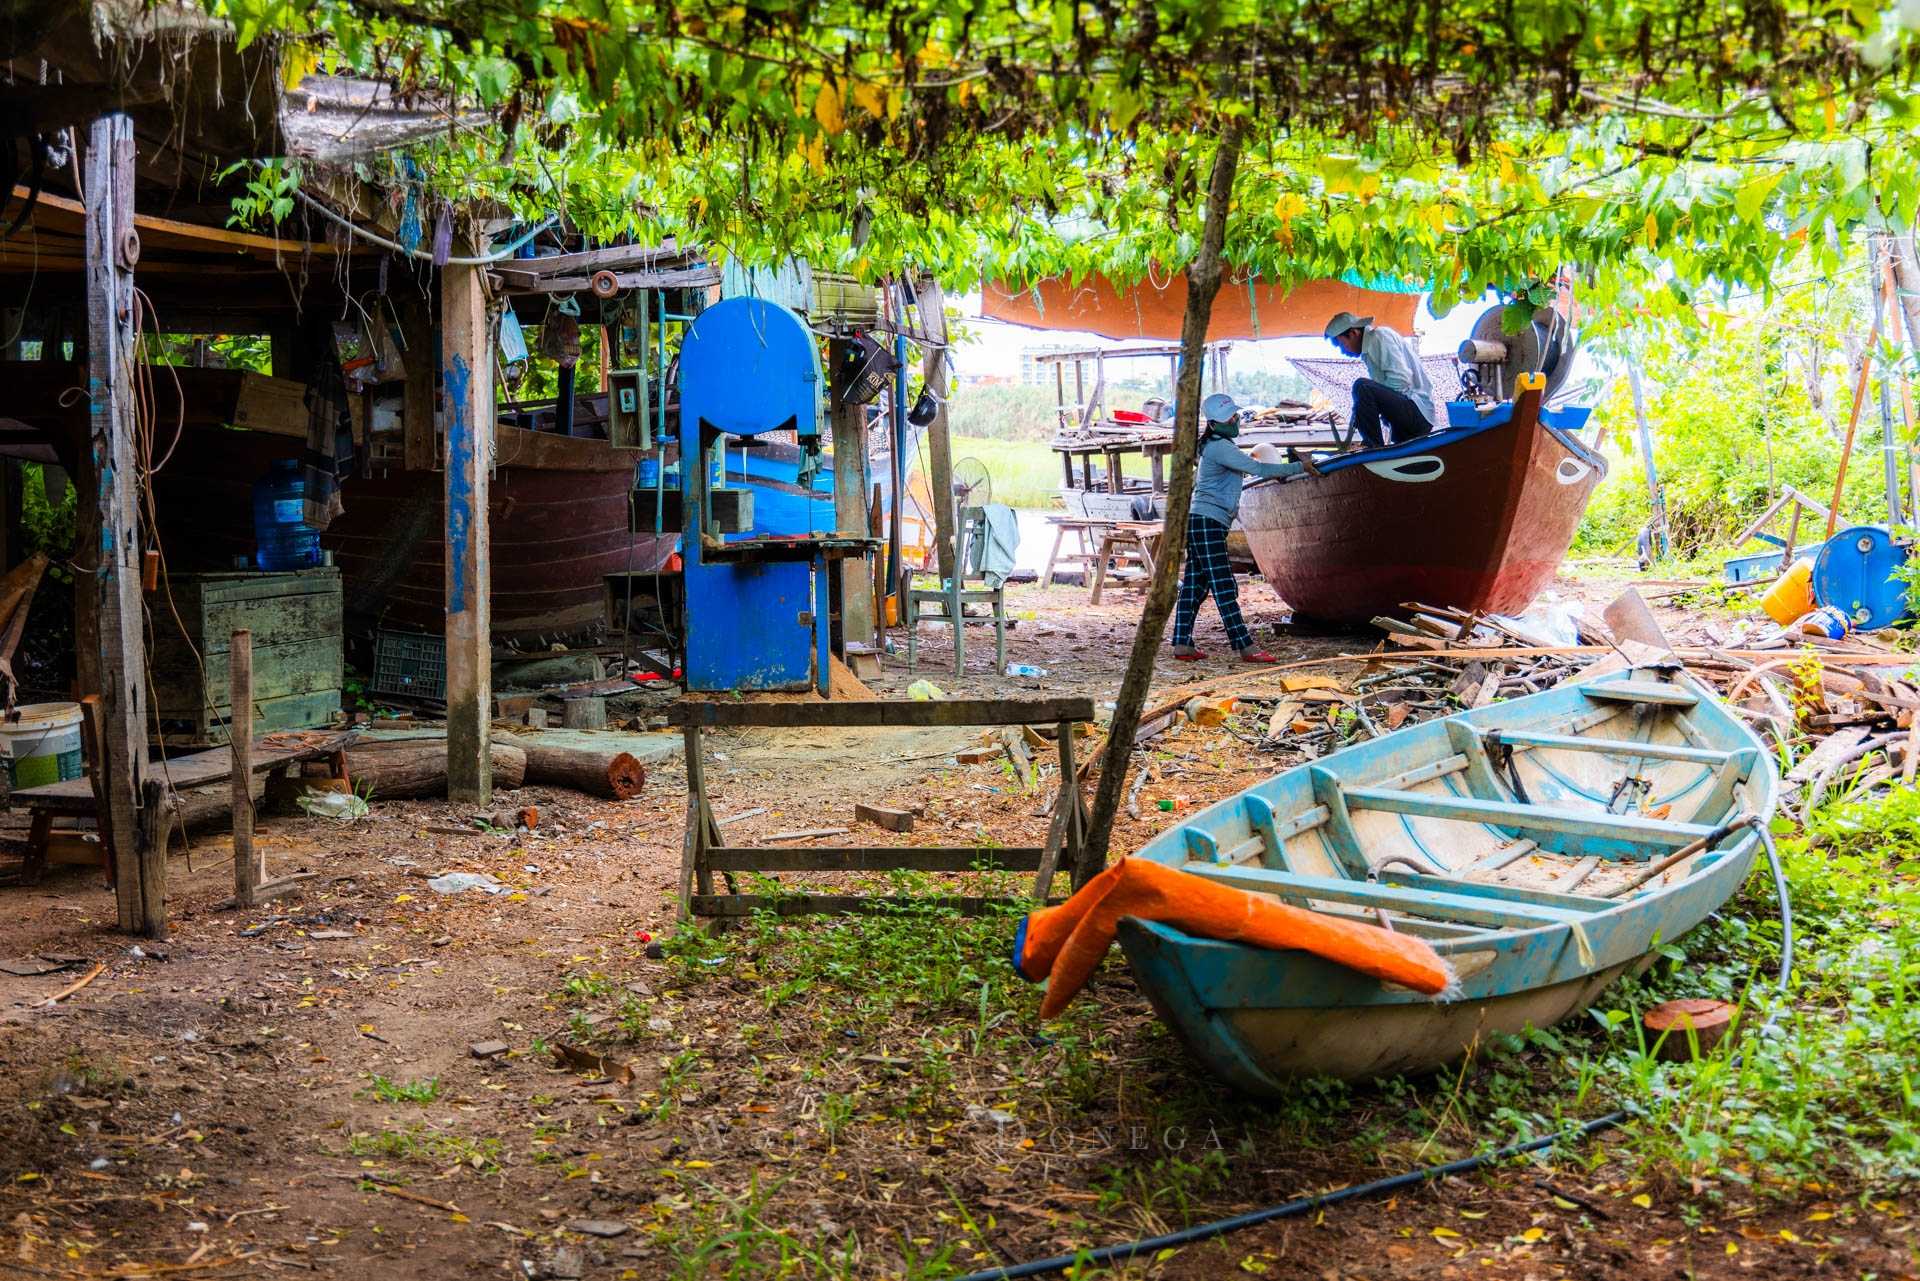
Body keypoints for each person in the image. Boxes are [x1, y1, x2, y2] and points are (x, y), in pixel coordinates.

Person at [1171, 393, 1312, 664]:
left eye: (1235, 416)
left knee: (1195, 586)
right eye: (1230, 418)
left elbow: (1250, 467)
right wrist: (1301, 466)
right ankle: (1244, 646)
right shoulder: (1220, 447)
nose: (1235, 421)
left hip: (1202, 521)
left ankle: (1182, 643)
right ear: (1214, 424)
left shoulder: (1215, 445)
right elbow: (1259, 467)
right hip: (1208, 521)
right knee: (1224, 586)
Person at [1324, 311, 1435, 448]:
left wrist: (1374, 405)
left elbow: (1401, 380)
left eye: (1341, 344)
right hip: (1406, 421)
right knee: (1363, 392)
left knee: (1362, 387)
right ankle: (1373, 447)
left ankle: (1372, 448)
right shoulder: (1369, 349)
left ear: (1353, 333)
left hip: (1418, 412)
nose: (1342, 351)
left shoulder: (1379, 337)